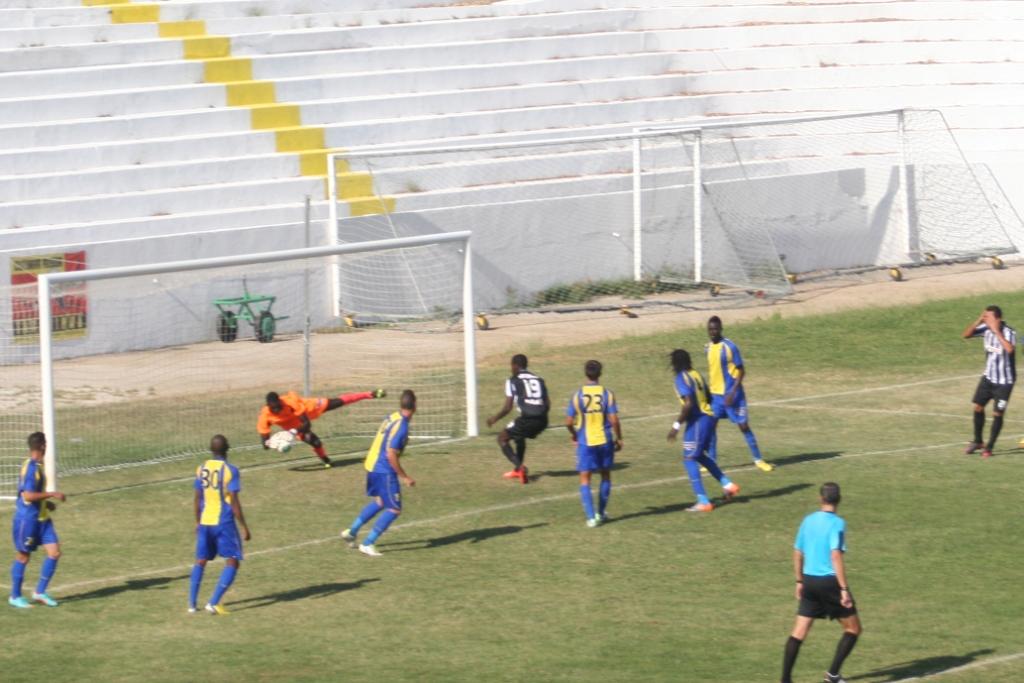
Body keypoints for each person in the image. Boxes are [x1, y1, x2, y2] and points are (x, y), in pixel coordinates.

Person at [781, 482, 861, 683]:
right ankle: (833, 675)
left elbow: (797, 552)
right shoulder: (837, 523)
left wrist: (799, 580)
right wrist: (843, 589)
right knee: (853, 629)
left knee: (798, 632)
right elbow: (835, 555)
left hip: (809, 581)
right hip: (829, 583)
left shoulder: (808, 521)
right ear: (839, 500)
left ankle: (785, 680)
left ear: (821, 499)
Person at [341, 390, 417, 557]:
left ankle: (351, 531)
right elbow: (391, 453)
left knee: (381, 501)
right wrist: (405, 477)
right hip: (384, 470)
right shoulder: (402, 425)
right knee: (395, 509)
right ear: (415, 406)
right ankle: (368, 543)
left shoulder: (392, 417)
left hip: (372, 465)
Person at [667, 349, 740, 512]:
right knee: (699, 455)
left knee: (689, 458)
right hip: (706, 417)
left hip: (698, 421)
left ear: (675, 364)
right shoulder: (695, 374)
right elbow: (707, 395)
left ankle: (703, 500)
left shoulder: (681, 378)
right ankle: (728, 485)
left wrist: (676, 426)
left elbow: (688, 403)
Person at [189, 435, 251, 615]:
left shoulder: (201, 469)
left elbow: (197, 498)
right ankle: (213, 602)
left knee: (200, 560)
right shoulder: (230, 471)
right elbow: (235, 502)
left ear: (211, 449)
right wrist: (244, 527)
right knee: (232, 561)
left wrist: (197, 521)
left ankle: (192, 605)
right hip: (223, 522)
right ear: (227, 449)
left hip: (205, 522)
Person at [705, 316, 774, 472]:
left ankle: (758, 460)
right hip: (716, 396)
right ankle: (712, 461)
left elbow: (741, 371)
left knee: (743, 426)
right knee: (711, 427)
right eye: (710, 329)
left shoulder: (730, 347)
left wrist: (733, 392)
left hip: (733, 396)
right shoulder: (707, 348)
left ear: (721, 328)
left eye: (715, 329)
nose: (713, 332)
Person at [257, 388, 385, 467]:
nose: (277, 409)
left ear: (280, 401)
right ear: (268, 406)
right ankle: (326, 460)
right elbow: (265, 444)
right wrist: (275, 443)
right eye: (273, 408)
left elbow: (306, 423)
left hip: (309, 409)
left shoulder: (290, 403)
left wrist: (292, 432)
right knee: (316, 442)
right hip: (294, 426)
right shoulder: (265, 416)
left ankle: (369, 394)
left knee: (338, 402)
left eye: (278, 406)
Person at [9, 432, 65, 609]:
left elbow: (32, 495)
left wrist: (46, 503)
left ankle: (40, 592)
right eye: (46, 444)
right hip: (28, 520)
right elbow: (27, 495)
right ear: (42, 446)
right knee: (23, 557)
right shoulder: (32, 468)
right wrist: (51, 494)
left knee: (54, 552)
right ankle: (15, 596)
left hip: (42, 519)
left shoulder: (36, 466)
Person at [565, 360, 623, 527]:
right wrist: (619, 438)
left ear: (586, 373)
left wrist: (574, 435)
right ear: (600, 374)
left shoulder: (577, 395)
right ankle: (601, 512)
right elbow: (614, 419)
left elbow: (568, 422)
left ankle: (591, 517)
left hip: (586, 441)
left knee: (585, 478)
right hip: (605, 440)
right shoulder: (607, 394)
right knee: (605, 475)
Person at [485, 354, 549, 484]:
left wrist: (494, 419)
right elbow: (548, 403)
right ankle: (516, 470)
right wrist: (540, 417)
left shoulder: (512, 380)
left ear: (515, 366)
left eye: (511, 366)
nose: (511, 369)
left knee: (502, 438)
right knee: (519, 436)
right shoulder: (539, 379)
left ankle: (520, 468)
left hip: (527, 419)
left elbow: (508, 407)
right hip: (542, 420)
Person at [962, 305, 1016, 458]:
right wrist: (978, 320)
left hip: (1005, 382)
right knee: (978, 408)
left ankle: (989, 447)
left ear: (998, 319)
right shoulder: (984, 329)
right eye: (985, 317)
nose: (987, 320)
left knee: (997, 413)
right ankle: (978, 441)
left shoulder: (1009, 332)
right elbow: (966, 335)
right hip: (988, 378)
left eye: (989, 317)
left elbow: (1009, 349)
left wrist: (996, 331)